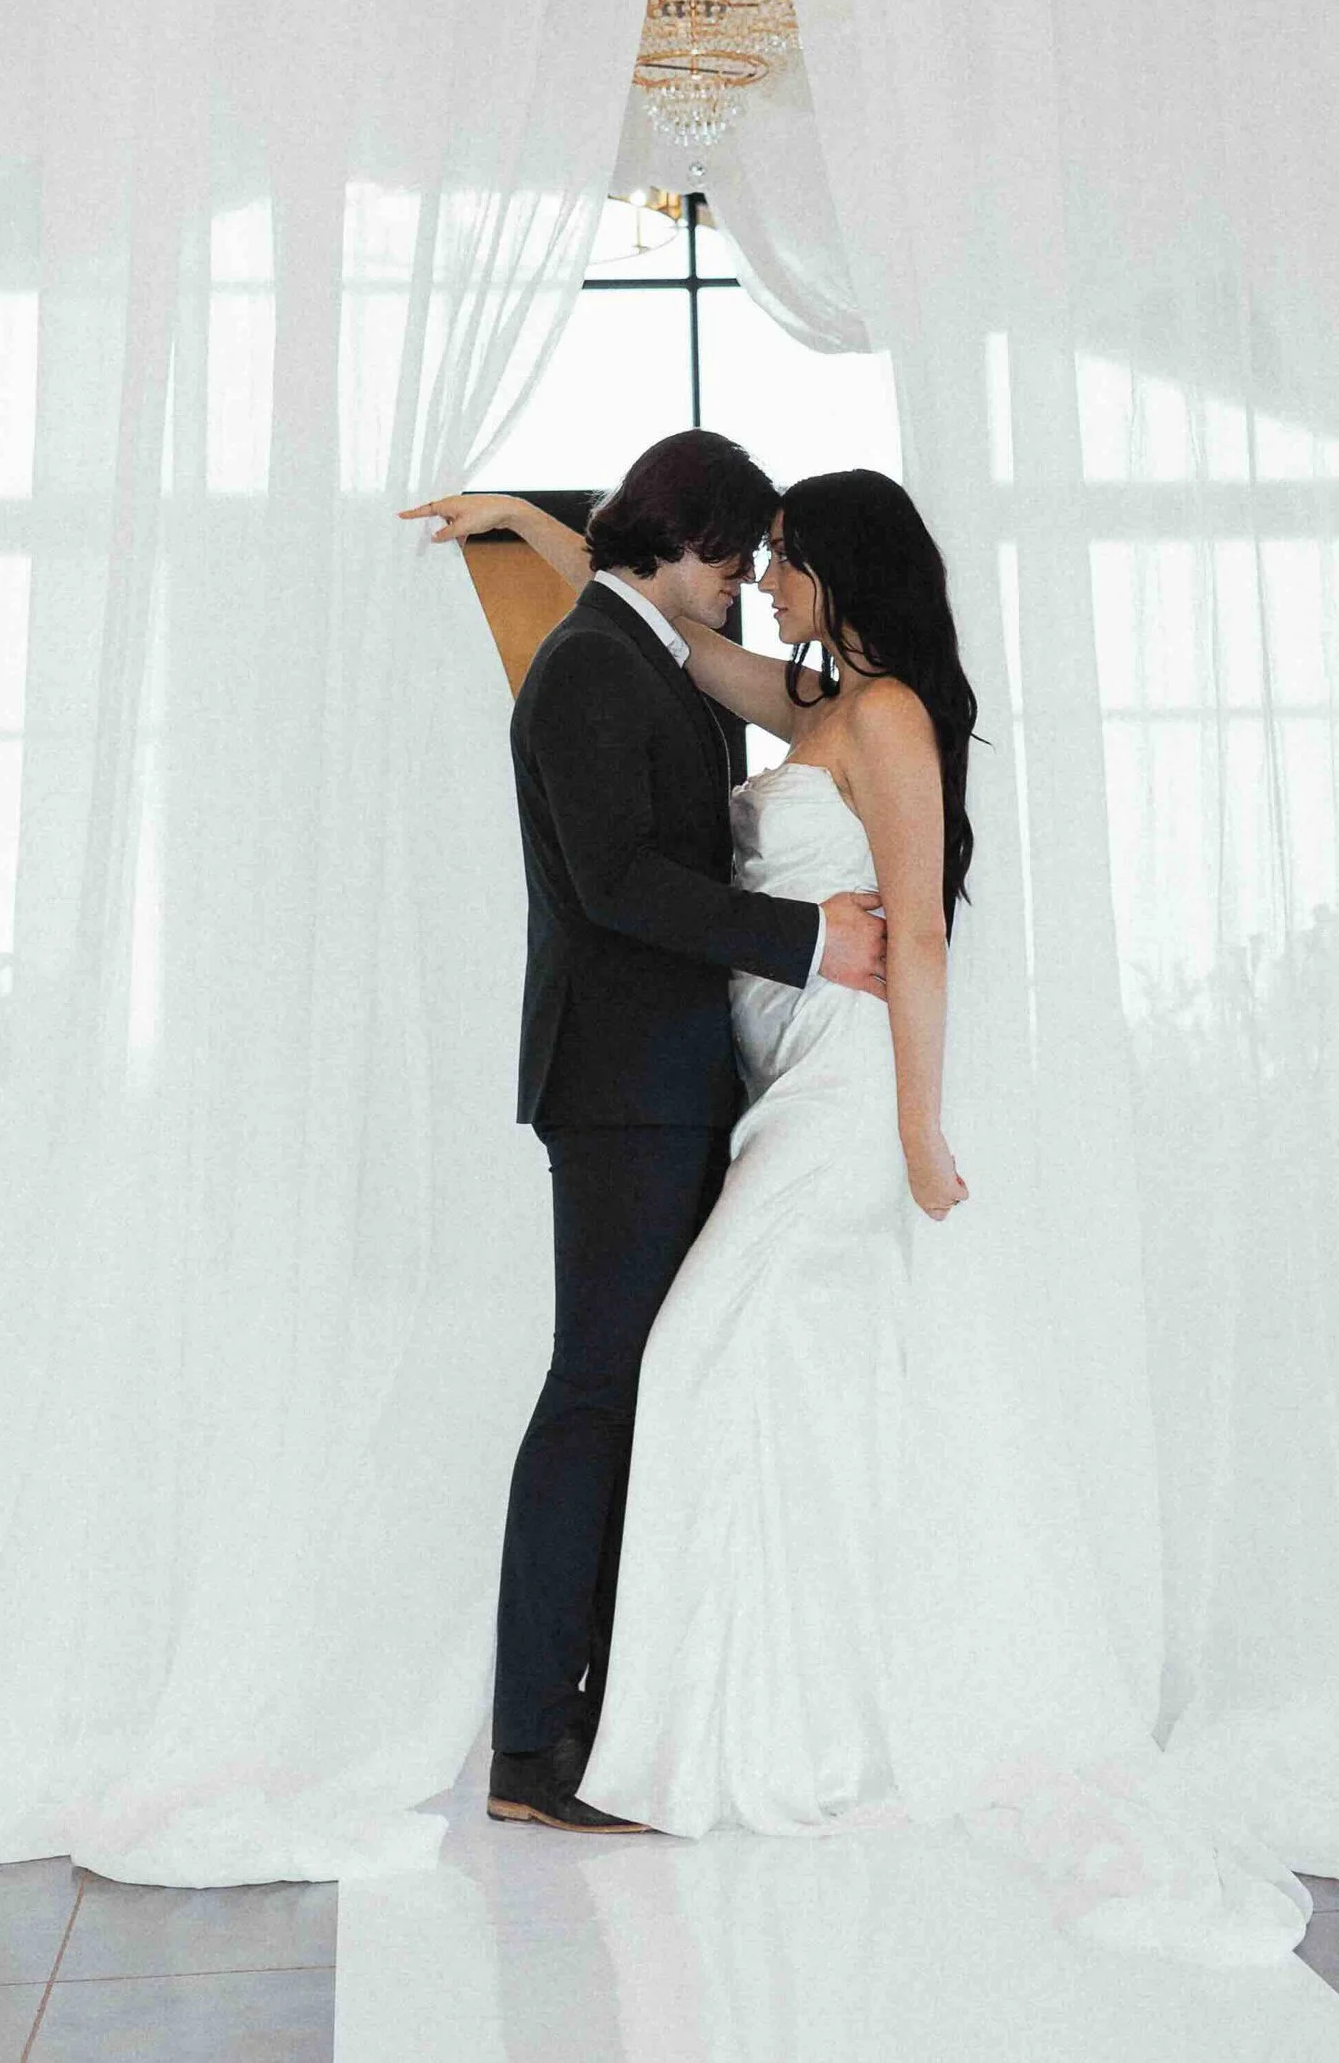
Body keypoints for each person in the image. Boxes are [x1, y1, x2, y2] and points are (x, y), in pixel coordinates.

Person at [417, 457, 979, 1837]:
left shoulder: (874, 711)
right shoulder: (770, 691)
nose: (758, 582)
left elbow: (921, 930)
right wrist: (555, 534)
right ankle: (586, 1727)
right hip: (696, 1084)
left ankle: (694, 1707)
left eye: (782, 557)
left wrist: (917, 1128)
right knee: (658, 1377)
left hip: (818, 1088)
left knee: (703, 1374)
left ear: (838, 573)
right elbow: (655, 655)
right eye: (744, 553)